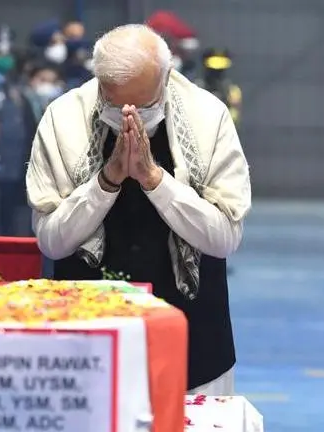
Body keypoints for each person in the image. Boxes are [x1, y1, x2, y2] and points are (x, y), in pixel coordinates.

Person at [26, 24, 251, 395]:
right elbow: (52, 242)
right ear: (100, 83)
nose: (129, 114)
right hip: (86, 342)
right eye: (116, 105)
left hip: (194, 341)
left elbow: (224, 238)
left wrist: (155, 181)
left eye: (144, 105)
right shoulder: (63, 119)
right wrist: (105, 182)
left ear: (166, 77)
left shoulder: (208, 117)